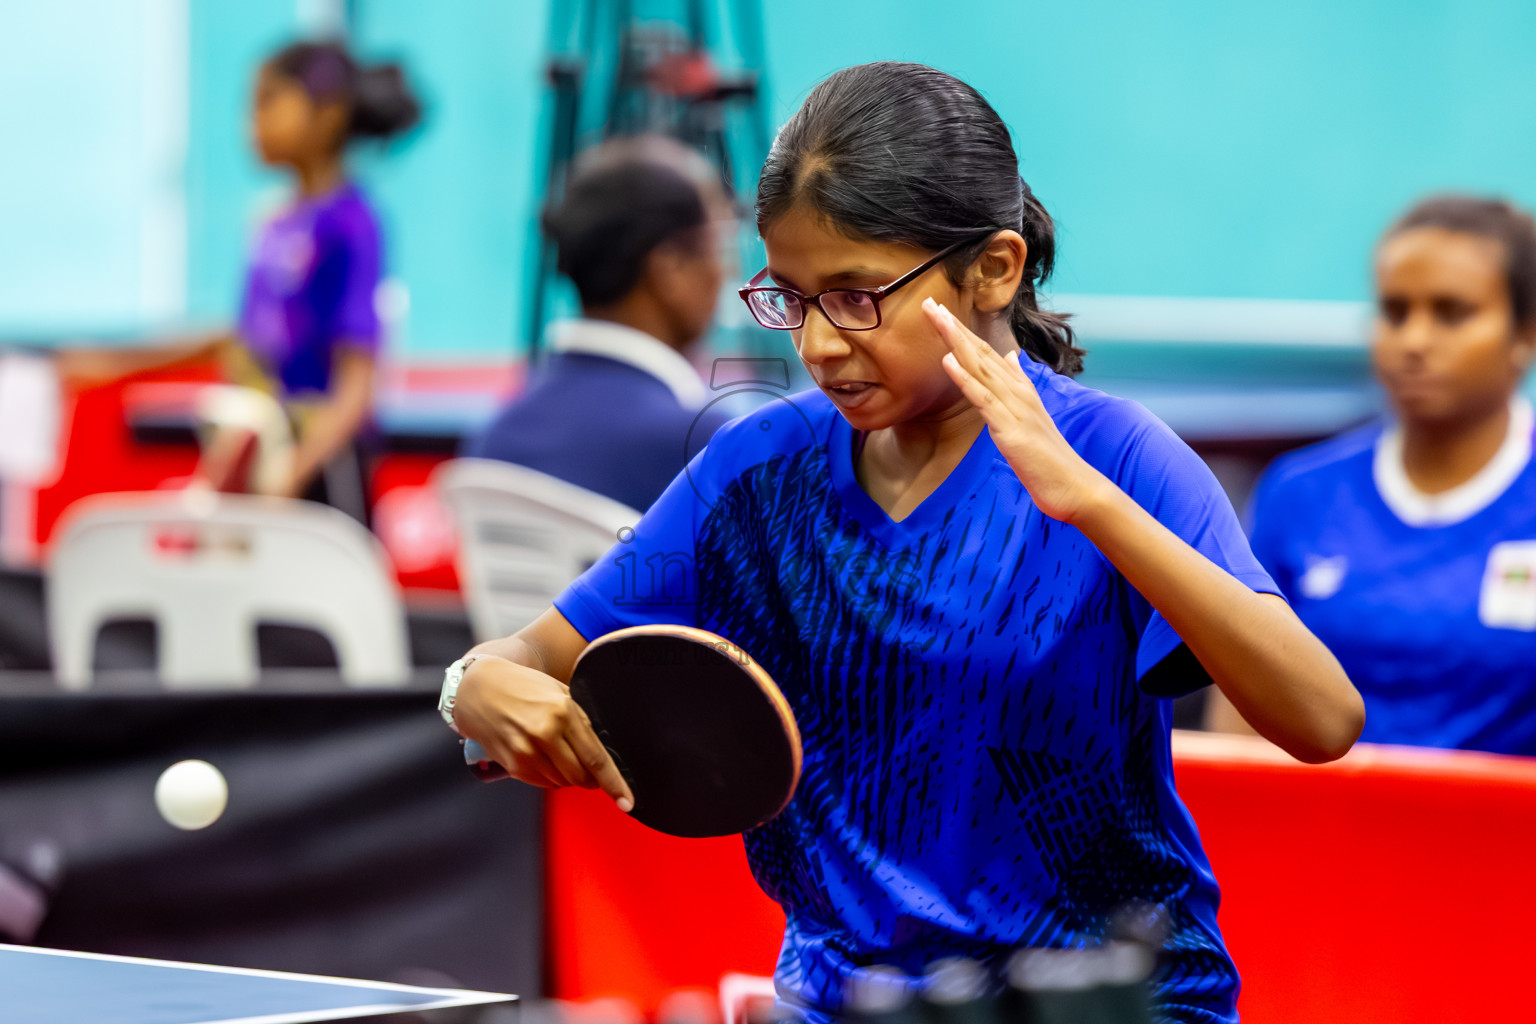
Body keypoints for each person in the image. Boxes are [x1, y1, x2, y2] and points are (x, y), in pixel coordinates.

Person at [443, 63, 1361, 1023]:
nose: (819, 344)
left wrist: (1092, 507)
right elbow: (528, 655)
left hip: (1104, 1006)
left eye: (856, 296)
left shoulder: (1117, 454)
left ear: (994, 269)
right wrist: (475, 684)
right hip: (842, 1004)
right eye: (790, 299)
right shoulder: (757, 468)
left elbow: (1321, 718)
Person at [1217, 195, 1536, 755]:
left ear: (1525, 334)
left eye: (1451, 312)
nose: (1413, 341)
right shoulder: (1301, 493)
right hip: (1319, 836)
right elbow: (1239, 724)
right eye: (1395, 311)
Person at [58, 41, 419, 522]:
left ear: (328, 113)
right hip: (258, 463)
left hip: (323, 473)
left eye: (268, 102)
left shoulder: (353, 224)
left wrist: (296, 469)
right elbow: (247, 349)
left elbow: (355, 386)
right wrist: (118, 365)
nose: (251, 123)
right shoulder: (270, 224)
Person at [464, 135, 735, 513]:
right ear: (670, 268)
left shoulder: (497, 437)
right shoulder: (704, 445)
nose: (728, 270)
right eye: (719, 246)